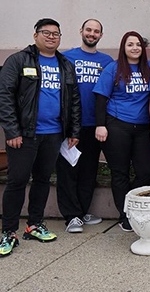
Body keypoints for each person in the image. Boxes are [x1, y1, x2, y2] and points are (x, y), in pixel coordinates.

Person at [0, 18, 81, 257]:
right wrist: (12, 131)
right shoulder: (19, 60)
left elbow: (73, 99)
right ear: (35, 35)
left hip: (53, 134)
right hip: (25, 135)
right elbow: (4, 96)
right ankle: (9, 232)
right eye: (46, 32)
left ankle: (34, 224)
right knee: (17, 181)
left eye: (56, 34)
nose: (52, 37)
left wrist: (73, 131)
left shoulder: (65, 64)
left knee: (43, 180)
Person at [93, 31, 150, 232]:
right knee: (119, 172)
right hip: (117, 125)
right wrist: (100, 125)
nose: (135, 48)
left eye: (138, 44)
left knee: (146, 171)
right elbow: (101, 98)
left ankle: (134, 204)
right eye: (130, 45)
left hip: (143, 127)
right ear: (124, 48)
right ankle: (125, 214)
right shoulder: (113, 68)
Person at [57, 19, 113, 233]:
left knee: (89, 170)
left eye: (96, 31)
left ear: (101, 35)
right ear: (81, 31)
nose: (92, 34)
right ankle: (71, 216)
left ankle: (81, 211)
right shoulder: (66, 58)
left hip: (95, 124)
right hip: (71, 125)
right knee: (68, 170)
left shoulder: (107, 61)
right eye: (88, 30)